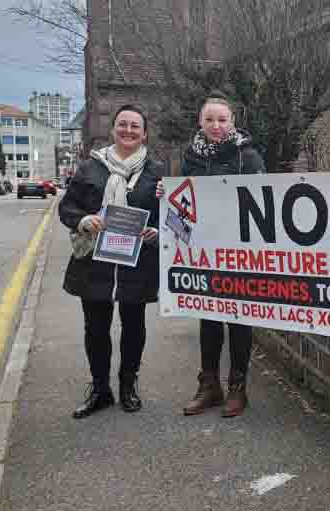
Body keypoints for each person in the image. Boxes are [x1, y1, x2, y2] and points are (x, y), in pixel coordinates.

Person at [59, 104, 162, 419]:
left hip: (137, 264)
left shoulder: (157, 171)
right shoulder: (90, 168)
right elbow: (67, 208)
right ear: (113, 129)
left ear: (144, 133)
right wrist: (84, 220)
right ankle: (101, 390)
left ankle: (128, 386)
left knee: (134, 327)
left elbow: (169, 216)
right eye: (123, 124)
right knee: (96, 329)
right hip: (95, 264)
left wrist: (157, 229)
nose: (129, 130)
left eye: (135, 126)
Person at [173, 93, 266, 418]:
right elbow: (182, 202)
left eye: (222, 119)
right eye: (210, 119)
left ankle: (237, 388)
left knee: (240, 320)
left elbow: (265, 205)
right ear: (201, 122)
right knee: (209, 316)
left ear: (232, 123)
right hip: (205, 253)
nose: (216, 125)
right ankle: (209, 385)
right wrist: (165, 195)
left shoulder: (249, 157)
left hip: (241, 255)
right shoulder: (192, 159)